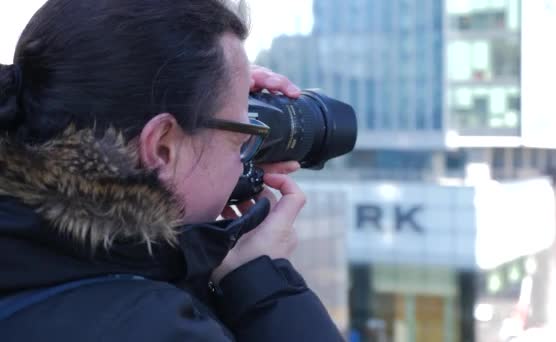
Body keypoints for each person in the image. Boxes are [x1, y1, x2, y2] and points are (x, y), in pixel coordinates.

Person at [0, 0, 344, 341]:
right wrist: (266, 290)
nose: (246, 161)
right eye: (242, 140)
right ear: (162, 148)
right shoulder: (157, 329)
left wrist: (221, 95)